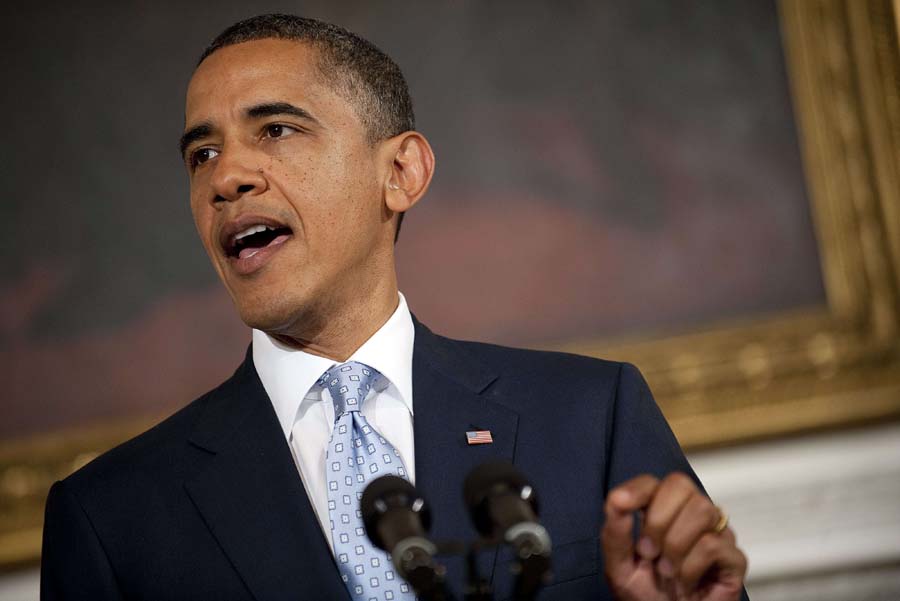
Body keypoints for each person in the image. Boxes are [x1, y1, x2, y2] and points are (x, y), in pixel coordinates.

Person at [40, 14, 748, 601]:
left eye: (277, 130)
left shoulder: (592, 417)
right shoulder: (111, 518)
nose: (226, 176)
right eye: (201, 154)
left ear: (401, 172)